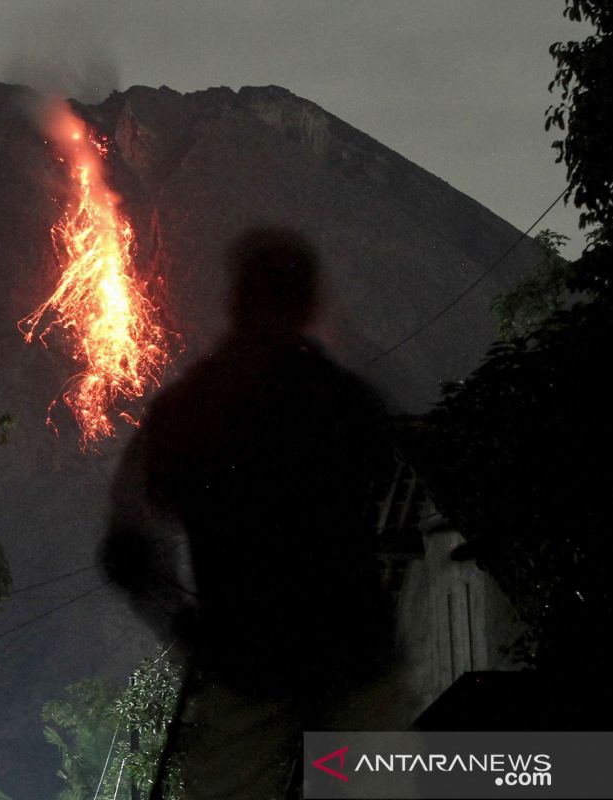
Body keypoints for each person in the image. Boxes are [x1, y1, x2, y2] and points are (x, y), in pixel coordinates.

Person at [101, 227, 404, 798]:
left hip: (247, 663)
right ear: (309, 304)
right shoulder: (348, 402)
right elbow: (378, 482)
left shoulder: (184, 411)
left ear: (235, 302)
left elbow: (127, 546)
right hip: (353, 651)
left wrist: (185, 622)